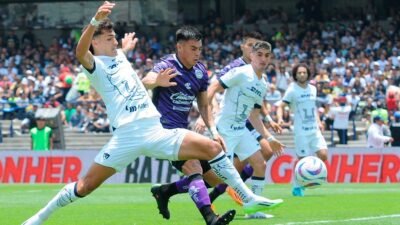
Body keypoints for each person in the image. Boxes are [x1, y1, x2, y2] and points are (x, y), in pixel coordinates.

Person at [22, 2, 282, 225]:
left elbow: (130, 63)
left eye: (115, 38)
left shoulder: (120, 56)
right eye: (109, 38)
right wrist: (94, 21)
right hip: (126, 135)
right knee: (85, 187)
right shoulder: (94, 64)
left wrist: (125, 47)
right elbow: (81, 52)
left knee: (213, 148)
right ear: (96, 42)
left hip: (156, 129)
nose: (115, 41)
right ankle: (40, 218)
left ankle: (248, 198)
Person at [142, 26, 234, 224]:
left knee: (214, 180)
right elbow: (146, 81)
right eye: (193, 48)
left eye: (199, 48)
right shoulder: (167, 65)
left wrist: (214, 131)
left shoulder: (201, 71)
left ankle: (165, 191)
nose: (197, 53)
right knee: (193, 167)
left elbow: (203, 104)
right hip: (163, 132)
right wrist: (157, 80)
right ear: (180, 47)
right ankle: (211, 218)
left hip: (183, 132)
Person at [207, 32, 282, 220]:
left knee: (260, 163)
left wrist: (270, 138)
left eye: (267, 55)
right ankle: (180, 189)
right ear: (252, 56)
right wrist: (204, 115)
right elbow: (213, 87)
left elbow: (255, 116)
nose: (263, 59)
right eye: (260, 54)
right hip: (225, 129)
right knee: (217, 176)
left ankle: (253, 210)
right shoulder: (241, 72)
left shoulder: (263, 83)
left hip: (240, 129)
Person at [277, 63, 328, 197]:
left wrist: (319, 121)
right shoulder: (292, 89)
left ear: (307, 74)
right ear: (295, 75)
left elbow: (313, 107)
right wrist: (280, 118)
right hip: (301, 131)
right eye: (299, 73)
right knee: (302, 161)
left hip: (314, 129)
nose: (302, 75)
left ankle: (311, 176)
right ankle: (297, 187)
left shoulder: (313, 88)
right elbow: (280, 106)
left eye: (304, 72)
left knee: (323, 155)